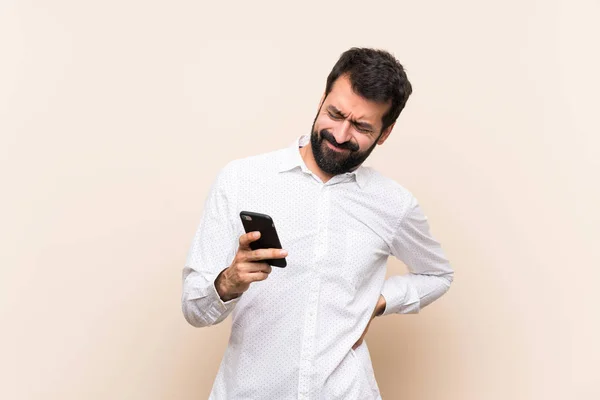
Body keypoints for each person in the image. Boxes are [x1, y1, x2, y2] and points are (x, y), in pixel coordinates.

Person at [181, 47, 454, 400]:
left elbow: (438, 275)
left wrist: (380, 300)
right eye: (335, 113)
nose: (340, 135)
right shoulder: (241, 180)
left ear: (385, 133)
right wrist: (229, 281)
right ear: (321, 99)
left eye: (361, 126)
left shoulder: (393, 204)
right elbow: (194, 309)